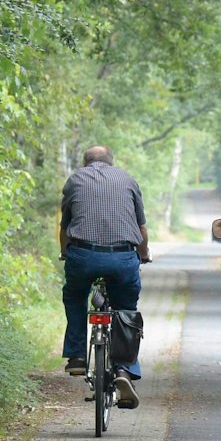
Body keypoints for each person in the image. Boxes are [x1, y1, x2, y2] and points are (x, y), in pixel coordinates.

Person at [59, 145, 149, 409]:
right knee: (125, 310)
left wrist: (65, 252)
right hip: (122, 258)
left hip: (83, 256)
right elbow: (141, 229)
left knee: (75, 295)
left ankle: (76, 356)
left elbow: (65, 228)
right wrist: (143, 255)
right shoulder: (128, 180)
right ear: (112, 162)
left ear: (85, 162)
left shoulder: (75, 179)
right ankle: (124, 369)